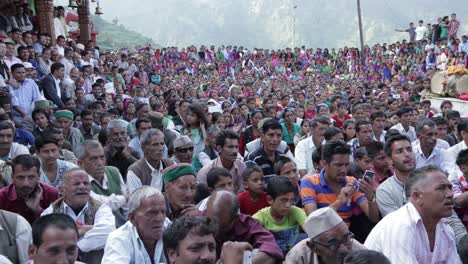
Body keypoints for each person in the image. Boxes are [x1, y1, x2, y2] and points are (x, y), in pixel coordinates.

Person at [365, 166, 461, 263]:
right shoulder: (400, 226)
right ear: (417, 196)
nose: (450, 194)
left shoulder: (445, 229)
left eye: (450, 187)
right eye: (441, 188)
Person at [41, 169, 115, 264]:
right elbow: (46, 240)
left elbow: (109, 232)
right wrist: (83, 230)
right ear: (61, 190)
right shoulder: (50, 212)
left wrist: (77, 248)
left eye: (86, 183)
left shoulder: (101, 208)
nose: (82, 187)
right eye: (76, 184)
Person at [300, 140, 380, 225]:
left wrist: (370, 197)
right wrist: (339, 203)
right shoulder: (309, 182)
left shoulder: (352, 182)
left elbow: (374, 218)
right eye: (338, 165)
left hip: (346, 236)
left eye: (346, 165)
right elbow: (314, 222)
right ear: (324, 164)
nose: (344, 170)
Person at [205, 190, 284, 263]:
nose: (213, 228)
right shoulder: (198, 220)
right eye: (209, 221)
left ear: (235, 218)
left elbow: (271, 248)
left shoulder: (247, 224)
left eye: (221, 226)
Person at [102, 186, 171, 263]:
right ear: (132, 218)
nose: (160, 218)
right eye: (152, 213)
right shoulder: (119, 238)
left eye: (163, 212)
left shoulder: (168, 227)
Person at [253, 176, 307, 255]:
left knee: (305, 237)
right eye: (283, 200)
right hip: (272, 256)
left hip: (294, 255)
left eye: (291, 200)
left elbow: (311, 230)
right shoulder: (260, 217)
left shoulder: (296, 211)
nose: (288, 205)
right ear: (270, 200)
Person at [76, 140, 128, 219]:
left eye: (102, 157)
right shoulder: (78, 181)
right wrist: (126, 198)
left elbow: (127, 207)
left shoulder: (114, 172)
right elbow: (99, 204)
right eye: (93, 159)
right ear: (80, 163)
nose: (100, 163)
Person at [0, 154, 59, 224]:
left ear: (39, 176)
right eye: (20, 177)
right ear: (12, 177)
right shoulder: (2, 197)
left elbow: (56, 226)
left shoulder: (51, 193)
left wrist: (37, 210)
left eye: (31, 177)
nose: (26, 183)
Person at [375, 135, 416, 217]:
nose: (407, 154)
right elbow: (397, 224)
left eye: (409, 149)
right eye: (400, 151)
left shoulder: (429, 181)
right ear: (390, 161)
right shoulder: (385, 190)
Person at [197, 129, 246, 194]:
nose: (234, 151)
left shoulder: (241, 166)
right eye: (230, 147)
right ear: (219, 149)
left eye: (236, 147)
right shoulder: (205, 172)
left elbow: (243, 193)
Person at [127, 129, 174, 193]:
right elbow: (137, 200)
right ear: (144, 148)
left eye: (162, 144)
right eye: (155, 144)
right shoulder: (135, 171)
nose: (161, 148)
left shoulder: (171, 165)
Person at [245, 119, 284, 183]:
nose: (275, 139)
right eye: (271, 135)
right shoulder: (252, 159)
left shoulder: (283, 158)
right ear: (262, 137)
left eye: (279, 136)